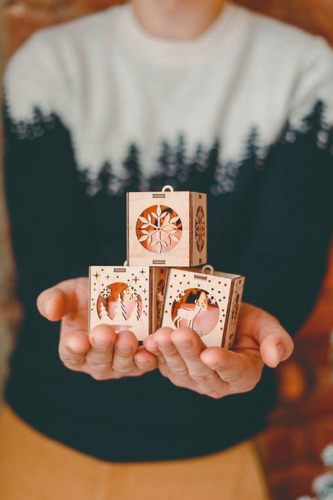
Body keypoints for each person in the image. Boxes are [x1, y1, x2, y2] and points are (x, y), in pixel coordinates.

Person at [1, 0, 332, 498]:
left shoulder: (308, 68)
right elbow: (47, 255)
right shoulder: (49, 61)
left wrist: (247, 339)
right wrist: (84, 316)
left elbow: (289, 260)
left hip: (215, 441)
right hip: (44, 426)